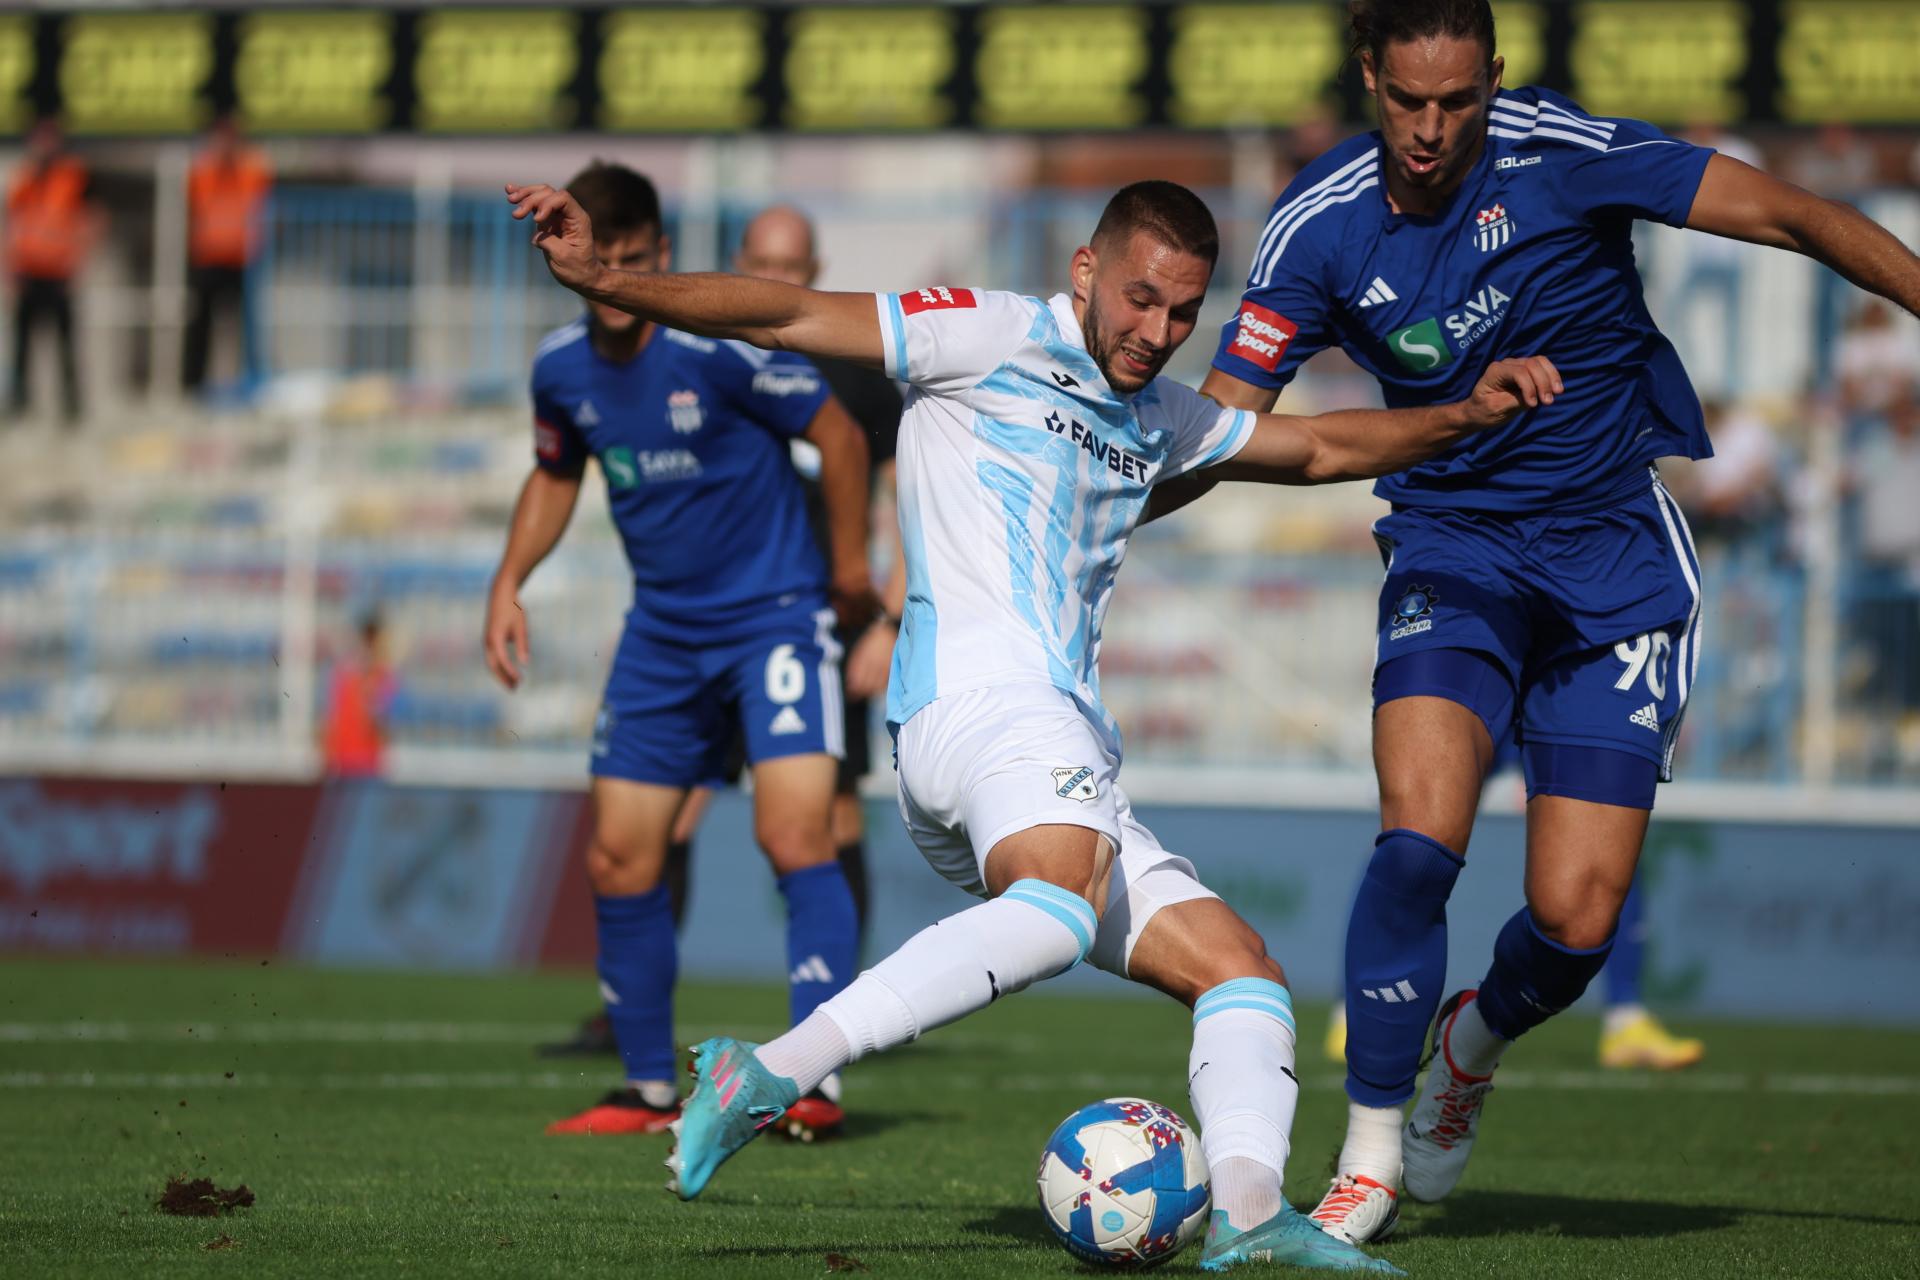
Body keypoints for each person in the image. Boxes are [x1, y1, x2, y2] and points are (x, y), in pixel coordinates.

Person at [509, 172, 1559, 1270]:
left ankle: (1252, 1214)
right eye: (1140, 299)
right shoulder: (988, 331)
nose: (1156, 332)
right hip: (981, 706)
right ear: (1086, 272)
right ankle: (768, 1069)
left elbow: (1321, 449)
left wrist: (1464, 415)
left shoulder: (1165, 415)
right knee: (1056, 911)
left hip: (1048, 745)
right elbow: (784, 314)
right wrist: (608, 276)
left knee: (1240, 970)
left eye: (1183, 312)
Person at [1154, 0, 1920, 1245]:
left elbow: (1796, 214)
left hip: (1615, 555)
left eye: (1457, 101)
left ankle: (1474, 1040)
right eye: (1408, 100)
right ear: (1370, 77)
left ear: (1494, 80)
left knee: (1575, 919)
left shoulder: (1569, 153)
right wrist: (1096, 490)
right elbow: (1223, 426)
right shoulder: (1318, 225)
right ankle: (1371, 1149)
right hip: (1451, 550)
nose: (1430, 128)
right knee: (1418, 840)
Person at [485, 162, 875, 1140]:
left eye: (627, 259)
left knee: (795, 836)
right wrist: (508, 581)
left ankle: (813, 1078)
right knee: (620, 857)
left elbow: (840, 433)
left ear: (659, 255)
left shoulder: (721, 348)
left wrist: (854, 565)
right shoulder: (561, 367)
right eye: (593, 259)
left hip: (776, 618)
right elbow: (552, 473)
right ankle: (648, 1088)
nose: (608, 278)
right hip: (661, 630)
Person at [5, 120, 92, 424]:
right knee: (21, 345)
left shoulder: (72, 178)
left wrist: (78, 263)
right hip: (28, 272)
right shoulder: (24, 178)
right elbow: (12, 227)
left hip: (59, 274)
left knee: (65, 343)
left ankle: (71, 404)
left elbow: (88, 222)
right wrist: (10, 270)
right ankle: (18, 402)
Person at [183, 116, 273, 395]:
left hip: (243, 259)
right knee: (201, 327)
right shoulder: (201, 169)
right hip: (209, 258)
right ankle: (193, 385)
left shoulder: (253, 168)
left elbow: (266, 204)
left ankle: (251, 383)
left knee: (247, 328)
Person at [321, 612, 397, 779]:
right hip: (345, 761)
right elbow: (334, 718)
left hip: (369, 763)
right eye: (368, 638)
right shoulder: (345, 674)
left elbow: (381, 724)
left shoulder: (383, 676)